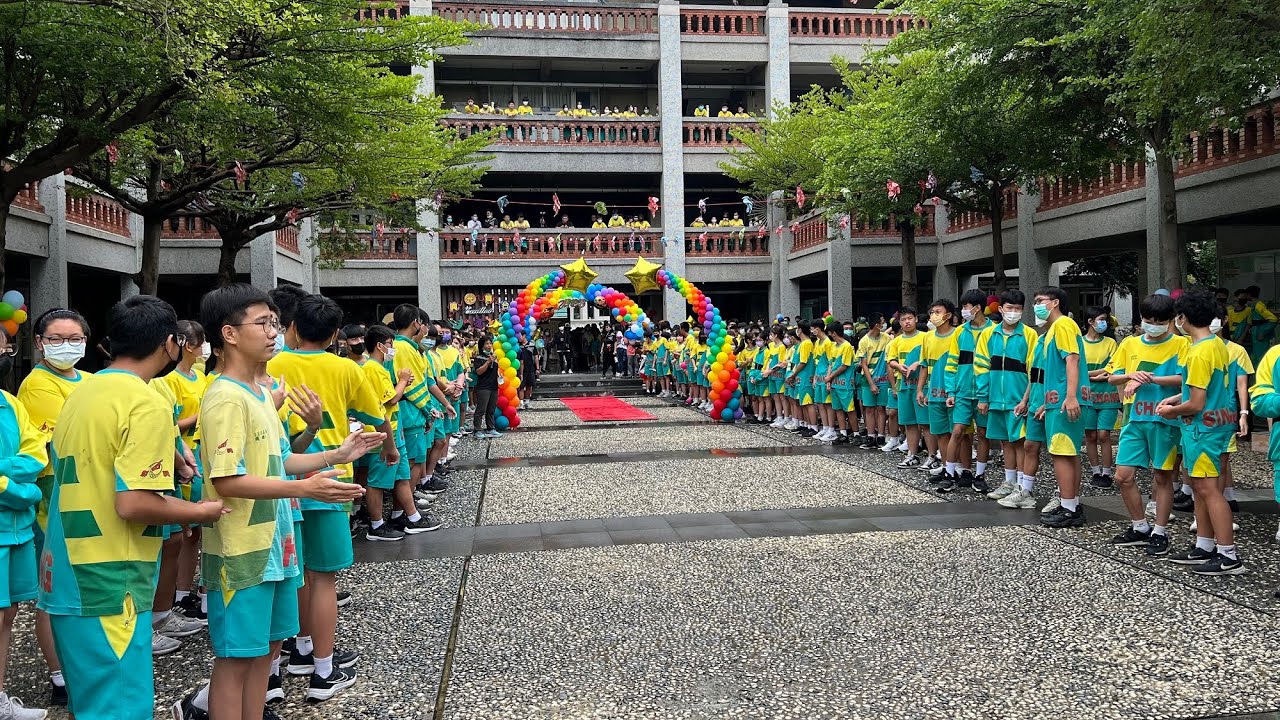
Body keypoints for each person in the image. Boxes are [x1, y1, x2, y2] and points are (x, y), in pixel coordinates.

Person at [175, 284, 379, 719]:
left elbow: (280, 459)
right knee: (237, 661)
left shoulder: (260, 393)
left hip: (275, 546)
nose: (275, 333)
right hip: (242, 554)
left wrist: (337, 454)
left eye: (274, 323)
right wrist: (304, 489)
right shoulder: (226, 395)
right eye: (263, 323)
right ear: (229, 334)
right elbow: (228, 480)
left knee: (264, 656)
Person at [39, 296, 227, 720]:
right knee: (121, 707)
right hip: (110, 578)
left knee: (92, 703)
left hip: (67, 569)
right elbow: (134, 503)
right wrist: (202, 511)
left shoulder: (85, 390)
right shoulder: (146, 402)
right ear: (170, 343)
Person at [267, 294, 397, 701]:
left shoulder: (271, 365)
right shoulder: (345, 368)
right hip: (330, 481)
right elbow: (376, 416)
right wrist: (389, 447)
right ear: (336, 334)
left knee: (289, 576)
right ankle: (322, 670)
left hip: (277, 481)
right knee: (324, 579)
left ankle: (285, 661)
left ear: (290, 328)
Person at [17, 309, 93, 705]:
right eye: (56, 338)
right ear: (39, 342)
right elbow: (66, 440)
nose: (66, 345)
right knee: (54, 590)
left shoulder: (92, 380)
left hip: (92, 498)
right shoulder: (38, 385)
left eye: (75, 338)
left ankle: (78, 664)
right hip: (55, 500)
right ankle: (60, 675)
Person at [1156, 288, 1242, 574]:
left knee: (1207, 489)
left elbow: (1197, 401)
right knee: (1204, 490)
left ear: (1182, 317)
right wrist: (1177, 397)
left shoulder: (1198, 352)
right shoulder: (1217, 345)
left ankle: (1228, 554)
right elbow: (1203, 388)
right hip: (1214, 426)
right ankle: (1204, 545)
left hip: (1202, 430)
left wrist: (1171, 409)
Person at [1105, 293, 1187, 553]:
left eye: (1159, 321)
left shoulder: (1181, 345)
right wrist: (1130, 375)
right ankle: (1140, 526)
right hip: (1134, 418)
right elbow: (1112, 378)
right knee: (1122, 476)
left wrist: (1148, 379)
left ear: (1170, 320)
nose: (1153, 325)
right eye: (1148, 320)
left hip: (1164, 419)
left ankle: (1160, 532)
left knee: (1162, 477)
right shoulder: (1129, 344)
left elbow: (1186, 380)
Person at [0, 324, 51, 720]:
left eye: (3, 347)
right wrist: (21, 489)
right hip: (11, 519)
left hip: (16, 528)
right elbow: (24, 478)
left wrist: (20, 486)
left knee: (7, 615)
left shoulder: (9, 403)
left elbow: (36, 458)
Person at [361, 325, 429, 542]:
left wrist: (399, 383)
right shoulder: (372, 368)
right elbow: (390, 399)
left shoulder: (379, 368)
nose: (393, 349)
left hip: (394, 430)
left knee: (402, 475)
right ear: (380, 345)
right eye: (390, 345)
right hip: (381, 432)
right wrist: (401, 381)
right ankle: (376, 525)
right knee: (378, 480)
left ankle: (412, 516)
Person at [975, 290, 1039, 508]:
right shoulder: (988, 335)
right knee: (1004, 441)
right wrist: (983, 397)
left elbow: (1033, 370)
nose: (1013, 312)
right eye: (1009, 308)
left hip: (1018, 399)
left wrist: (1027, 399)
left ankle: (1023, 487)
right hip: (995, 398)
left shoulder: (1030, 335)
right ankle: (1010, 482)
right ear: (1000, 309)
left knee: (1019, 442)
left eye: (1018, 309)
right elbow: (981, 367)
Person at [1032, 287, 1087, 528]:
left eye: (1040, 301)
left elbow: (1071, 359)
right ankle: (1072, 504)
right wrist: (1048, 402)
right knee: (1067, 451)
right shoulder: (1054, 330)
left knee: (1061, 452)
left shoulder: (1063, 325)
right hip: (1059, 399)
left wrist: (1071, 396)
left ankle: (1068, 508)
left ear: (1055, 302)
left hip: (1067, 399)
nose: (1036, 306)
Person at [942, 290, 994, 492]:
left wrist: (986, 394)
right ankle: (950, 473)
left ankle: (979, 475)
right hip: (962, 392)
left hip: (985, 394)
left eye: (965, 306)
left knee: (983, 433)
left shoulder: (993, 331)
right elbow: (951, 364)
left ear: (977, 307)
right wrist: (951, 391)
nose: (963, 310)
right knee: (957, 431)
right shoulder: (960, 332)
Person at [917, 300, 957, 483]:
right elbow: (924, 366)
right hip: (933, 393)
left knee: (957, 434)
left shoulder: (958, 334)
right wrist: (921, 389)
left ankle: (959, 469)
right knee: (940, 432)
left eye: (938, 312)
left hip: (953, 393)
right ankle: (946, 466)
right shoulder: (927, 337)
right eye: (932, 312)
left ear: (948, 315)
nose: (934, 315)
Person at [1080, 306, 1119, 487]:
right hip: (1086, 396)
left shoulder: (1111, 342)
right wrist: (1093, 376)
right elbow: (1075, 368)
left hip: (1108, 396)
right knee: (1090, 435)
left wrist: (1086, 374)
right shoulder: (1079, 342)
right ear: (1090, 321)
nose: (1104, 323)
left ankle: (1107, 472)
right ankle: (1096, 471)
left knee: (1104, 434)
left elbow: (1111, 367)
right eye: (1101, 319)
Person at [888, 308, 927, 467]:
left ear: (916, 319)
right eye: (903, 319)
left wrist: (917, 363)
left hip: (922, 385)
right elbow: (891, 360)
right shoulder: (896, 341)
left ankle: (932, 456)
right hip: (904, 385)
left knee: (926, 423)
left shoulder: (925, 337)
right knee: (909, 422)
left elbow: (929, 358)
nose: (907, 322)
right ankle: (912, 454)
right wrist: (898, 365)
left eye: (910, 318)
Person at [471, 336, 501, 439]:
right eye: (487, 344)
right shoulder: (479, 358)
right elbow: (479, 371)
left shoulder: (494, 357)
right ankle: (477, 429)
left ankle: (490, 428)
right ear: (482, 346)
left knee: (491, 409)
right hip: (483, 387)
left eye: (490, 343)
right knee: (481, 409)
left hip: (493, 386)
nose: (489, 346)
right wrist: (488, 362)